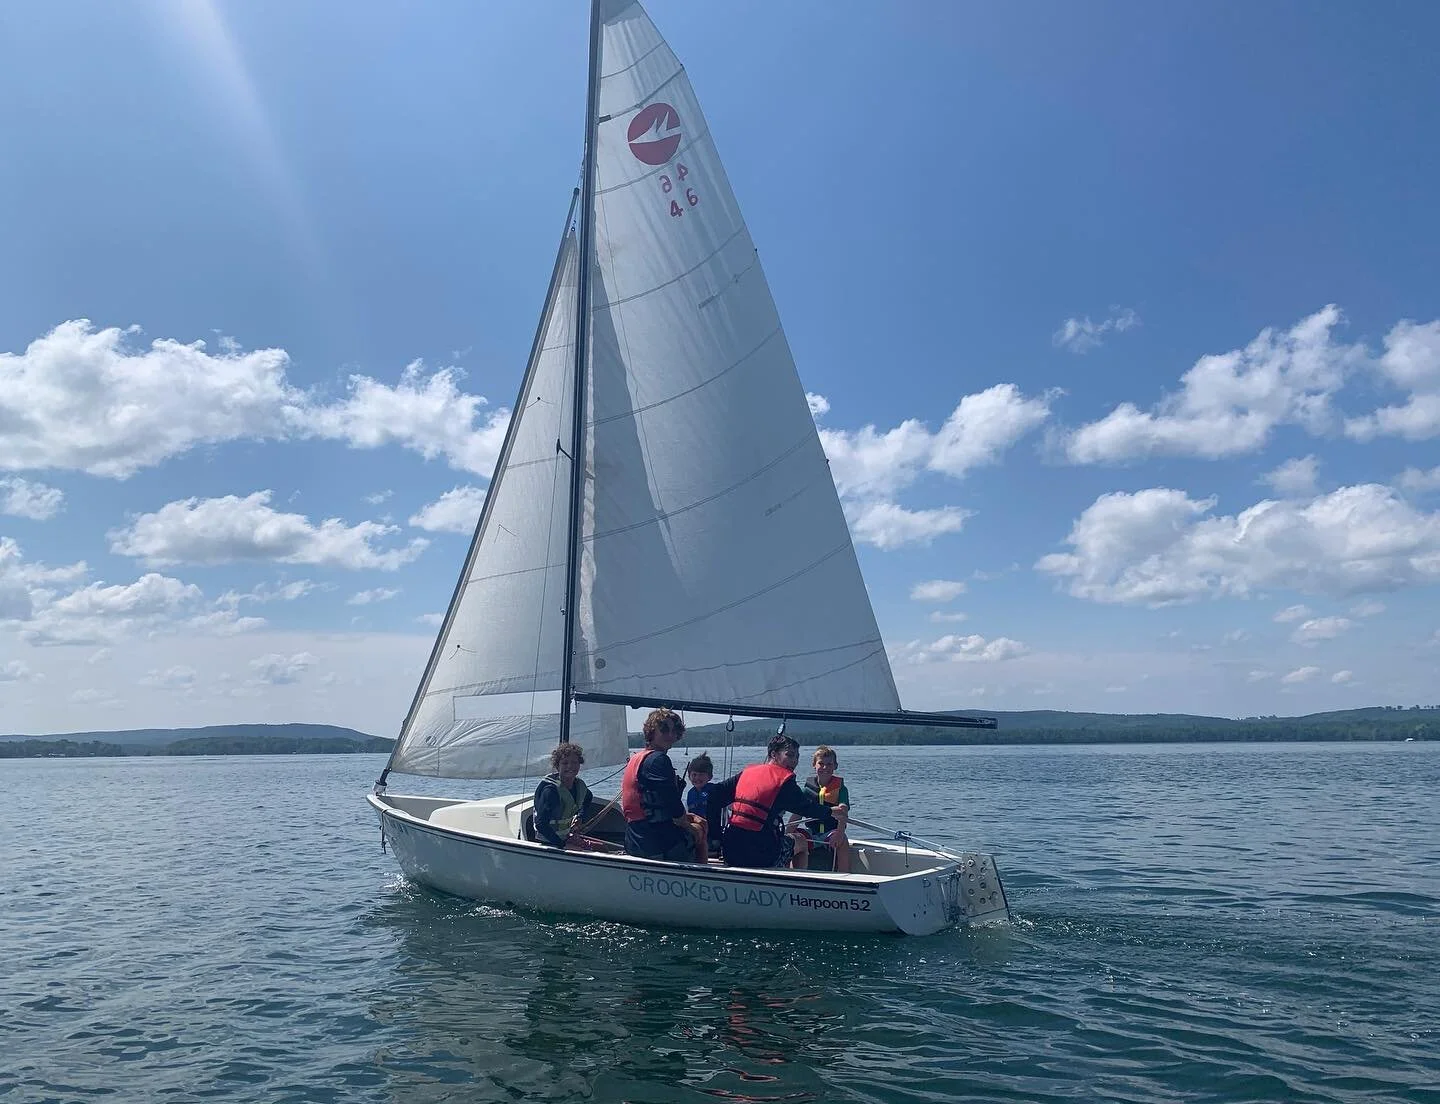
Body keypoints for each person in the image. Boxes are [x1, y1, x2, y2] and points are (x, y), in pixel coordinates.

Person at [708, 734, 844, 870]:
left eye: (797, 756)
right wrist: (831, 811)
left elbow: (713, 796)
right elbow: (806, 807)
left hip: (731, 850)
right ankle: (794, 886)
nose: (794, 761)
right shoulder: (784, 781)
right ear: (774, 754)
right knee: (801, 842)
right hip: (763, 855)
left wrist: (716, 836)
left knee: (780, 837)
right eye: (789, 755)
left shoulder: (745, 774)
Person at [621, 708, 708, 862]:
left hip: (634, 839)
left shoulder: (637, 758)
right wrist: (690, 827)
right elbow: (672, 805)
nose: (670, 734)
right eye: (664, 729)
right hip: (656, 843)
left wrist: (687, 817)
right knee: (701, 828)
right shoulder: (658, 760)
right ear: (652, 731)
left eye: (675, 731)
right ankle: (704, 879)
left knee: (695, 822)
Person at [788, 744, 852, 873]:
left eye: (829, 764)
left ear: (835, 766)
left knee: (843, 840)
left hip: (831, 833)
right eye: (821, 763)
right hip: (811, 832)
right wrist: (786, 833)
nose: (825, 767)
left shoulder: (841, 790)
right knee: (794, 839)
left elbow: (843, 812)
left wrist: (839, 833)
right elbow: (796, 815)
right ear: (814, 765)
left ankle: (845, 874)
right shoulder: (807, 790)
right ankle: (795, 874)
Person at [531, 742, 594, 849]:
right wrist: (564, 845)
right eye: (565, 763)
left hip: (564, 838)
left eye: (574, 762)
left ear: (579, 764)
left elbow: (588, 797)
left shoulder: (579, 786)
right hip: (547, 842)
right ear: (557, 766)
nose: (570, 766)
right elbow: (541, 825)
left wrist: (580, 817)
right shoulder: (550, 791)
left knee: (602, 848)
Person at [685, 753, 722, 858]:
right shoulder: (690, 793)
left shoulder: (715, 790)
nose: (697, 778)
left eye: (701, 775)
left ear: (710, 777)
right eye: (694, 775)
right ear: (689, 776)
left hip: (713, 834)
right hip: (698, 832)